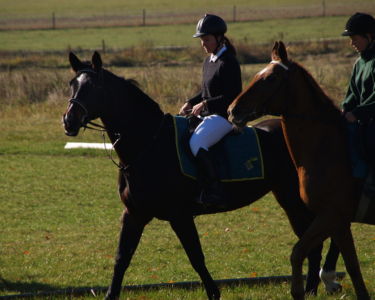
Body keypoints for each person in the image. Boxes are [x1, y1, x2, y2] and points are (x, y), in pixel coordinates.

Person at [179, 14, 242, 208]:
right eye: (201, 40)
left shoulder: (229, 61)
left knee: (197, 142)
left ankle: (215, 190)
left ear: (219, 38)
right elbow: (205, 92)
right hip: (208, 114)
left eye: (206, 39)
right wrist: (190, 102)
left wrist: (206, 105)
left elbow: (233, 95)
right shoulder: (209, 61)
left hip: (224, 117)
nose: (203, 44)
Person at [341, 13, 375, 191]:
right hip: (363, 119)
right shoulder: (359, 63)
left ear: (369, 37)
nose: (351, 43)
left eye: (354, 38)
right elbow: (352, 94)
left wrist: (357, 113)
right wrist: (345, 109)